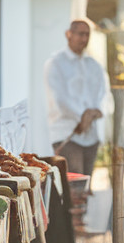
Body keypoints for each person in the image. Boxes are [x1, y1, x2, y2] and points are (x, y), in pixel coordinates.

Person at [45, 19, 108, 180]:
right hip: (67, 135)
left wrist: (95, 113)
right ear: (69, 34)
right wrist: (82, 116)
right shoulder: (56, 63)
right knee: (74, 187)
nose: (84, 39)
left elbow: (104, 94)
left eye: (87, 35)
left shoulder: (94, 65)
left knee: (85, 189)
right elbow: (59, 99)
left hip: (91, 136)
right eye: (80, 34)